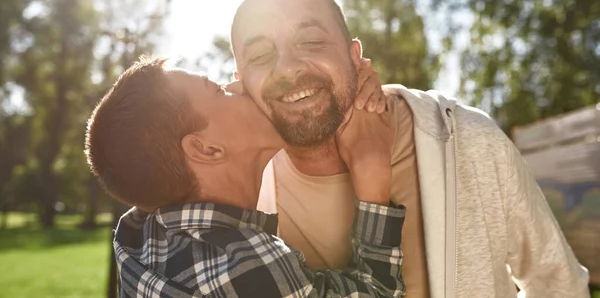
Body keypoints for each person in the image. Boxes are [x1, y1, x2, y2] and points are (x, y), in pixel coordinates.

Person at [229, 0, 591, 298]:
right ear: (240, 82)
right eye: (260, 54)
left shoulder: (464, 139)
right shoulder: (233, 190)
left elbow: (557, 283)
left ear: (356, 57)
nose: (288, 67)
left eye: (311, 42)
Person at [84, 56, 407, 297]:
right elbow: (377, 291)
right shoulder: (242, 271)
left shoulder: (141, 233)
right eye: (220, 90)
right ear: (207, 149)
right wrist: (372, 170)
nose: (239, 86)